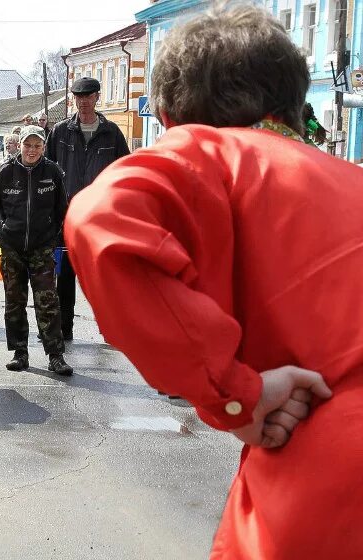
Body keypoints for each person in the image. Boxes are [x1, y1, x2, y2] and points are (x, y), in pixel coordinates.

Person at [64, 5, 358, 558]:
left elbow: (99, 219)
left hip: (327, 475)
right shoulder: (349, 181)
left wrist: (234, 393)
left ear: (172, 117)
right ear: (293, 105)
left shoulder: (208, 151)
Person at [0, 125, 72, 375]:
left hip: (42, 249)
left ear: (43, 147)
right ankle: (19, 352)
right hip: (12, 249)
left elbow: (63, 212)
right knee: (14, 302)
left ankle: (55, 355)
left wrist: (53, 240)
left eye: (37, 145)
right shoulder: (5, 172)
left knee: (47, 301)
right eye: (27, 145)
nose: (32, 150)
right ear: (19, 145)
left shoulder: (52, 172)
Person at [46, 76, 130, 341]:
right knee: (66, 276)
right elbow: (46, 171)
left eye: (88, 96)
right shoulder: (60, 131)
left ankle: (109, 330)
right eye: (79, 97)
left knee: (102, 277)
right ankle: (64, 328)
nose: (83, 102)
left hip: (99, 218)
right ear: (74, 99)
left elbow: (124, 172)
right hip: (66, 216)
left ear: (96, 98)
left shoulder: (112, 133)